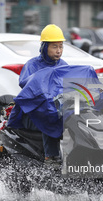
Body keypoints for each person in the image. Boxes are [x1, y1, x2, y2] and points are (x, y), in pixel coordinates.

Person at [8, 24, 68, 166]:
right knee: (50, 115)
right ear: (44, 47)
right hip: (32, 113)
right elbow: (27, 86)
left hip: (56, 109)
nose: (59, 51)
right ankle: (51, 157)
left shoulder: (63, 65)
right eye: (54, 47)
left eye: (60, 46)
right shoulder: (32, 65)